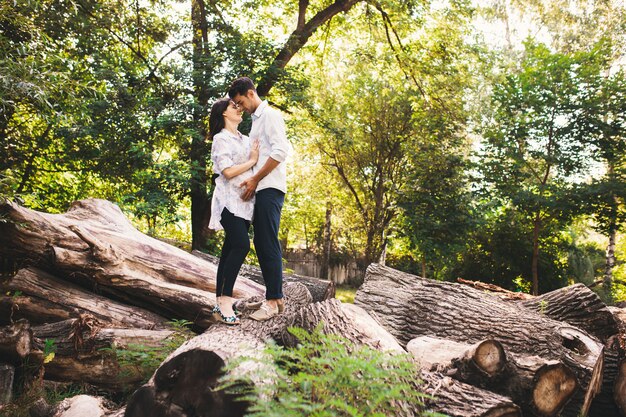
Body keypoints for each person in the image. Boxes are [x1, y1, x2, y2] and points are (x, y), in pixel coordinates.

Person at [228, 77, 290, 321]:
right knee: (262, 243)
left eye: (241, 101)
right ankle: (274, 299)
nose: (240, 107)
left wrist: (255, 180)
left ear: (251, 94)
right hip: (260, 188)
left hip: (271, 187)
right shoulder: (255, 123)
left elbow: (280, 152)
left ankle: (274, 301)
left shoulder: (270, 116)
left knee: (267, 242)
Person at [208, 97, 259, 325]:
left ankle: (219, 304)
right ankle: (226, 301)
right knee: (241, 245)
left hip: (246, 203)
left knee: (229, 251)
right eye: (233, 107)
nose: (239, 110)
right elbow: (227, 172)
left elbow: (258, 163)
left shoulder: (246, 140)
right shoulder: (221, 139)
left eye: (239, 106)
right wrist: (252, 162)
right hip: (228, 202)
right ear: (224, 114)